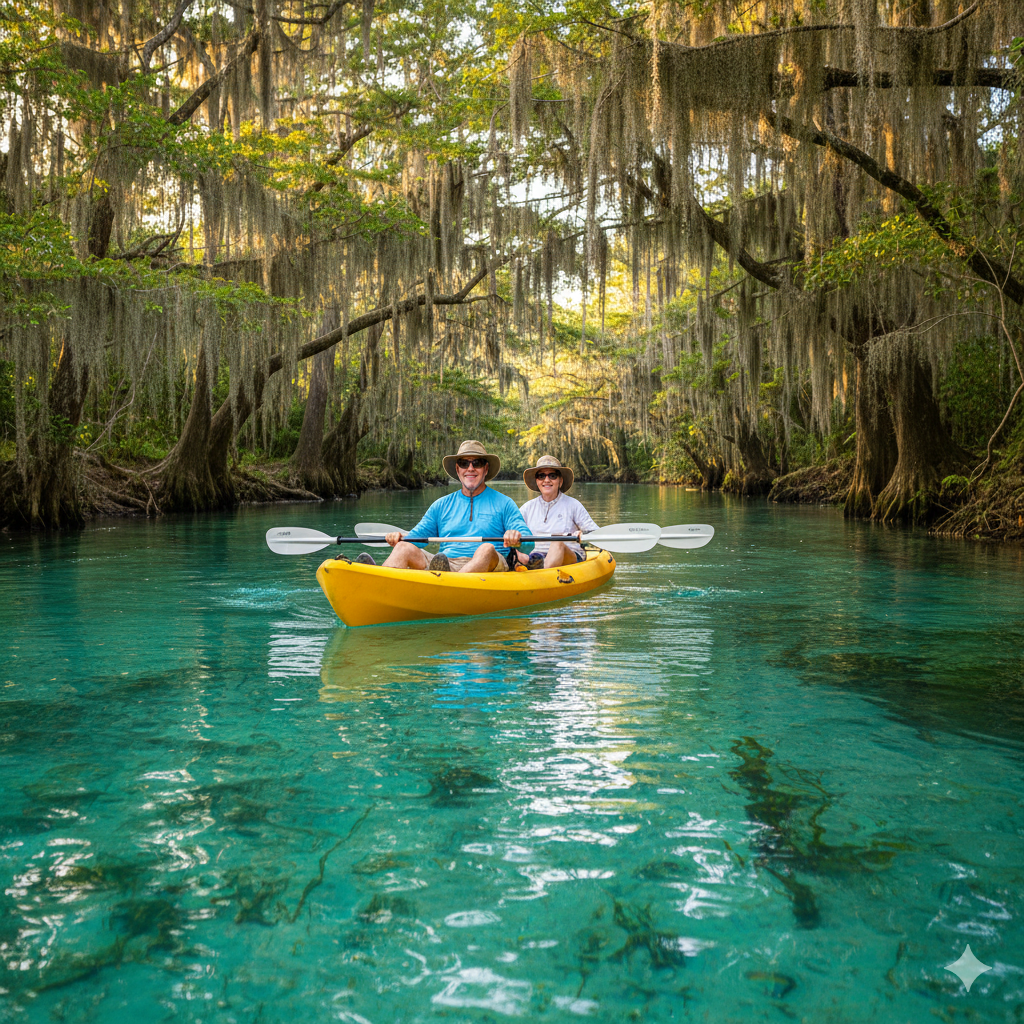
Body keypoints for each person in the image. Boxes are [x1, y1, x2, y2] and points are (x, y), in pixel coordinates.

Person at [378, 440, 531, 573]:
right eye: (464, 463)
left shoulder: (504, 503)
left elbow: (529, 542)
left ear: (485, 469)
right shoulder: (441, 505)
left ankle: (448, 585)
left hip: (490, 563)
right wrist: (400, 538)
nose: (470, 468)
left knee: (486, 548)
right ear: (458, 470)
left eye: (477, 463)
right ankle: (377, 583)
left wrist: (517, 537)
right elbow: (416, 537)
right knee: (403, 548)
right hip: (446, 563)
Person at [518, 455, 599, 569]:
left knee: (557, 542)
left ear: (560, 481)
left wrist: (583, 534)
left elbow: (595, 533)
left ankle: (543, 575)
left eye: (552, 476)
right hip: (535, 557)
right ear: (537, 481)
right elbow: (512, 531)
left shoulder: (573, 505)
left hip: (569, 557)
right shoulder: (527, 508)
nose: (547, 480)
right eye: (541, 476)